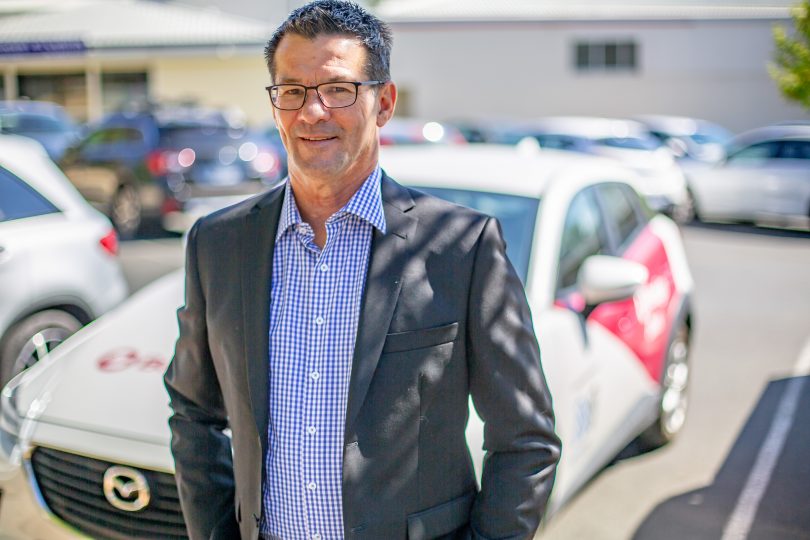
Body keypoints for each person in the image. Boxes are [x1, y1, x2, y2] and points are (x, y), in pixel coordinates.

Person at [164, 1, 561, 539]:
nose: (312, 112)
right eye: (293, 91)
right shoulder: (218, 244)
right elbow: (194, 411)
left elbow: (525, 440)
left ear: (384, 102)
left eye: (338, 89)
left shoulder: (463, 248)